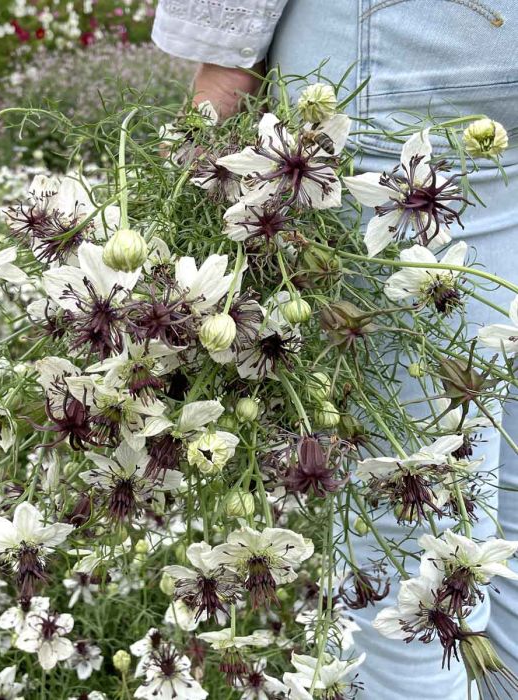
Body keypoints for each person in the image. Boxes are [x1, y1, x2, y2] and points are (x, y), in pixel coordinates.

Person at [151, 1, 518, 698]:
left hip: (400, 69)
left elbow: (225, 69)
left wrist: (215, 85)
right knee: (498, 515)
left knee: (416, 572)